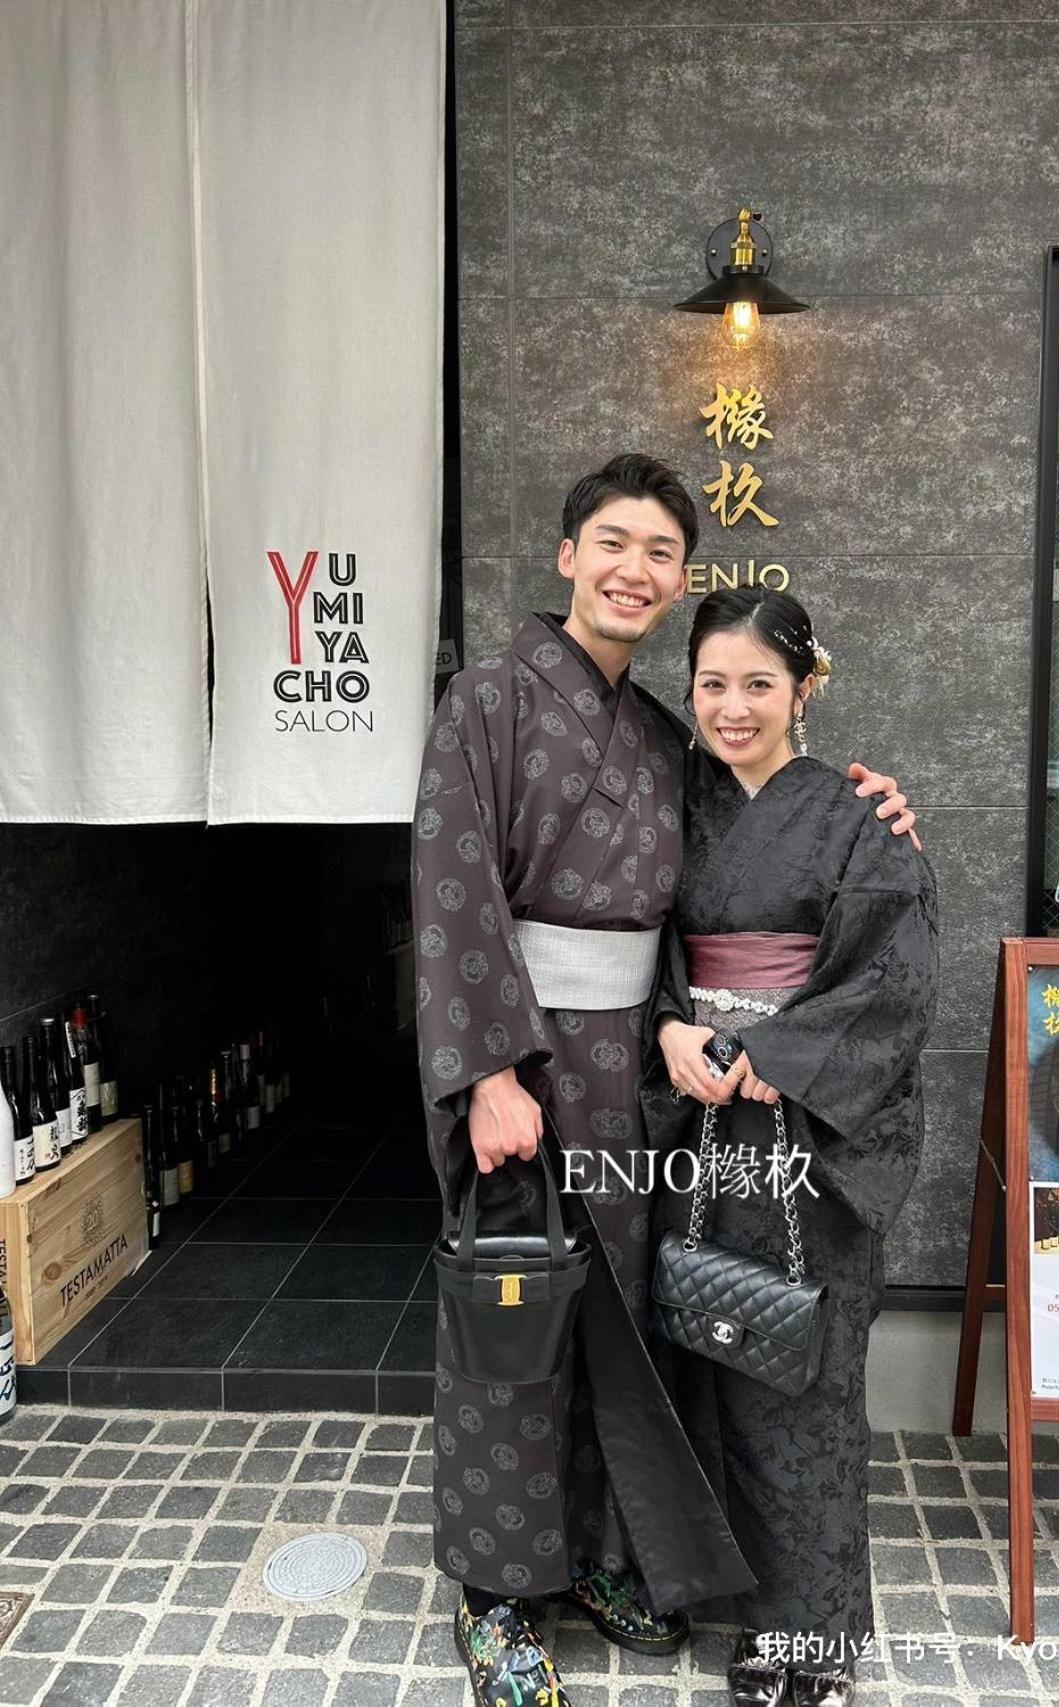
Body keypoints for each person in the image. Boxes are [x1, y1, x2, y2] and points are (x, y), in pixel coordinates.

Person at [412, 455, 919, 1707]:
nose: (634, 570)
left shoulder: (655, 734)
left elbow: (754, 836)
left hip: (644, 1076)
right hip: (527, 1064)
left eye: (659, 553)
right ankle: (495, 1596)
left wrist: (866, 800)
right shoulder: (486, 701)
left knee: (621, 1328)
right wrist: (483, 1072)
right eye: (613, 544)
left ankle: (586, 1557)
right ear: (566, 556)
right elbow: (450, 893)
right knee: (509, 1318)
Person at [643, 586, 939, 1707]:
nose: (731, 706)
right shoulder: (674, 806)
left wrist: (792, 1051)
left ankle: (806, 1634)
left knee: (803, 1388)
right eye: (710, 683)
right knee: (705, 1355)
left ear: (802, 690)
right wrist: (667, 1023)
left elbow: (895, 976)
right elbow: (640, 945)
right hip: (697, 1129)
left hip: (806, 1145)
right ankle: (722, 1595)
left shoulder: (862, 819)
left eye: (757, 683)